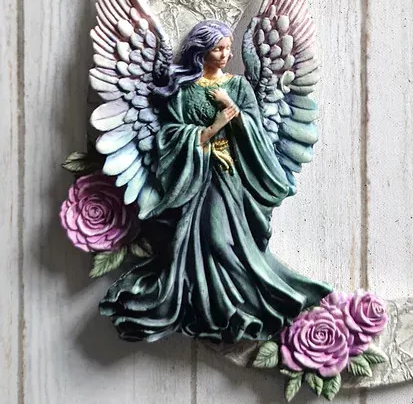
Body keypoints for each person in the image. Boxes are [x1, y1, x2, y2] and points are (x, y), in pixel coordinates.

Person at [99, 20, 331, 343]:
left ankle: (257, 303)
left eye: (228, 48)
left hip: (230, 177)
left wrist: (231, 109)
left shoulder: (238, 87)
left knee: (224, 242)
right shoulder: (183, 91)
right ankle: (218, 309)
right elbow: (169, 139)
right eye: (219, 49)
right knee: (200, 244)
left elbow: (257, 135)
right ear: (201, 51)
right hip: (199, 178)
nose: (226, 55)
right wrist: (213, 127)